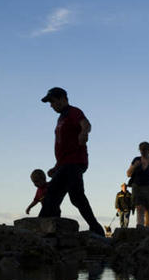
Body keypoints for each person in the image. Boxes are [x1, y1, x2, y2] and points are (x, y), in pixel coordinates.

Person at [38, 87, 105, 236]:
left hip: (74, 161)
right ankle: (95, 228)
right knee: (74, 196)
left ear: (63, 99)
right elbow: (63, 145)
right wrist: (57, 166)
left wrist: (83, 132)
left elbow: (86, 124)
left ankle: (42, 227)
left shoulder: (73, 112)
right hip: (65, 163)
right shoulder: (61, 118)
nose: (51, 105)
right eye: (50, 103)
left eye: (53, 101)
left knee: (54, 194)